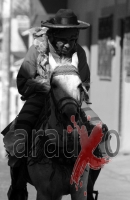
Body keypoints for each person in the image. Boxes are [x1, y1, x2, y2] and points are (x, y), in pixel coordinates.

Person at [2, 9, 108, 200]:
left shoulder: (79, 52)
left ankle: (89, 185)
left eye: (73, 38)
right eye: (64, 39)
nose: (69, 44)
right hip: (40, 98)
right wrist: (46, 85)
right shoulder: (36, 50)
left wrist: (75, 89)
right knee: (20, 134)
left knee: (101, 133)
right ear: (53, 35)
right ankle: (18, 185)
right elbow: (22, 82)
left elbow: (86, 82)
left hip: (73, 100)